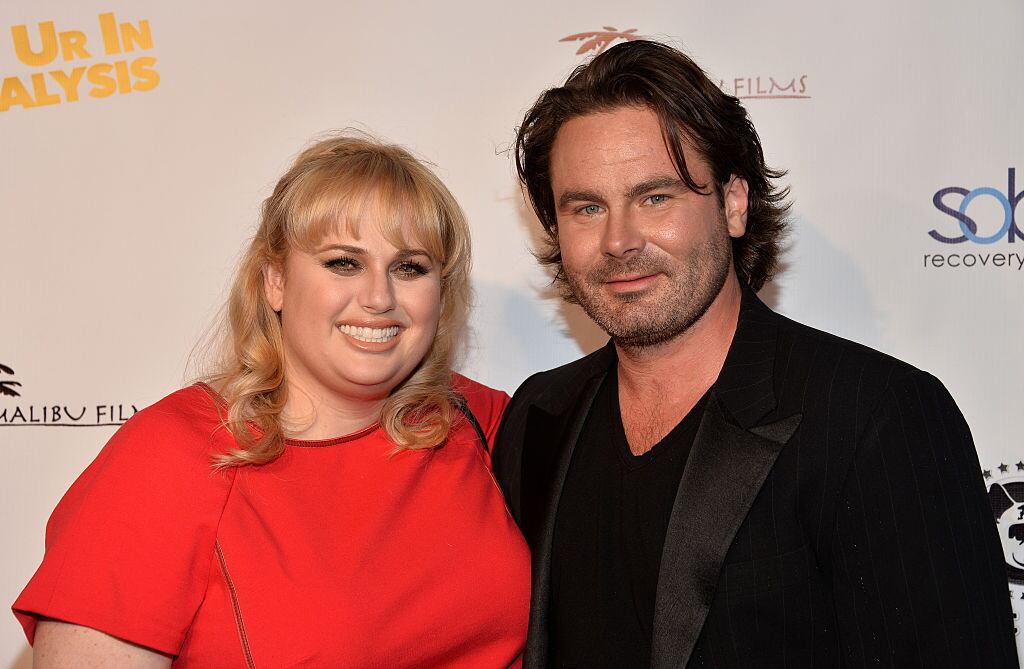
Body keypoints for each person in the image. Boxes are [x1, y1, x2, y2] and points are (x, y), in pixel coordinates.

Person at [492, 40, 1017, 668]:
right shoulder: (539, 416)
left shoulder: (876, 417)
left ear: (734, 204)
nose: (618, 240)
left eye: (656, 197)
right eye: (586, 207)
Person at [14, 134, 531, 667]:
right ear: (275, 281)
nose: (380, 298)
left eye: (410, 268)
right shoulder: (170, 457)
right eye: (343, 263)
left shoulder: (486, 422)